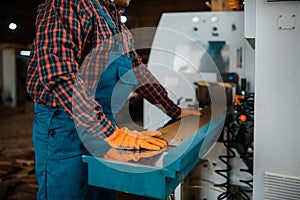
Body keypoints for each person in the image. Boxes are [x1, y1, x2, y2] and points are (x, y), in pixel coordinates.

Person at [26, 0, 201, 199]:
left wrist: (174, 111)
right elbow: (58, 74)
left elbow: (138, 74)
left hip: (105, 125)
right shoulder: (68, 5)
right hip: (66, 127)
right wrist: (111, 134)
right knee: (69, 192)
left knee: (103, 190)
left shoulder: (119, 27)